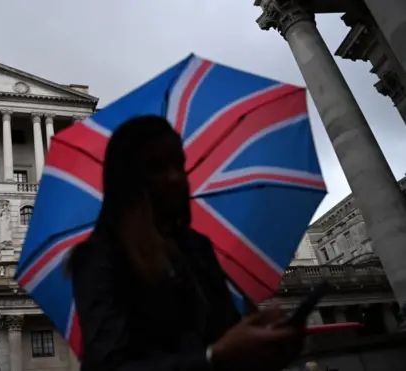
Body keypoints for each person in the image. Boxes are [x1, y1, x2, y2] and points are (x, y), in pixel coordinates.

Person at [68, 115, 305, 371]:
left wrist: (262, 337)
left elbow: (226, 332)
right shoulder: (99, 257)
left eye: (179, 164)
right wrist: (213, 356)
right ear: (128, 178)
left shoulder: (197, 248)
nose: (174, 177)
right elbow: (110, 366)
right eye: (157, 166)